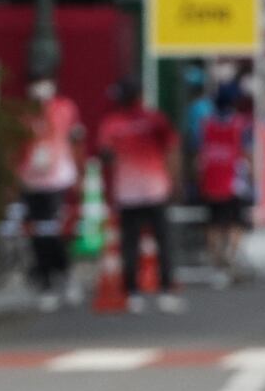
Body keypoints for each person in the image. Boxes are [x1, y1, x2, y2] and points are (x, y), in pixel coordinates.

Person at [96, 77, 185, 314]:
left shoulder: (115, 123)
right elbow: (173, 148)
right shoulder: (152, 119)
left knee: (132, 244)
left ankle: (136, 292)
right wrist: (175, 180)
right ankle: (162, 291)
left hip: (133, 193)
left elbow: (105, 154)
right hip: (152, 190)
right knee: (159, 242)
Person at [15, 72, 85, 312]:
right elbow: (16, 147)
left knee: (55, 232)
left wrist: (79, 172)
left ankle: (65, 274)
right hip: (31, 181)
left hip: (58, 178)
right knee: (38, 235)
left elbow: (76, 140)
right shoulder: (24, 113)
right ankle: (45, 282)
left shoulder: (65, 108)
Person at [197, 84, 251, 288]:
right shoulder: (239, 124)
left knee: (213, 225)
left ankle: (218, 264)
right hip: (233, 183)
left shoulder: (206, 125)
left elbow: (199, 154)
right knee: (235, 224)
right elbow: (246, 153)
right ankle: (230, 259)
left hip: (211, 180)